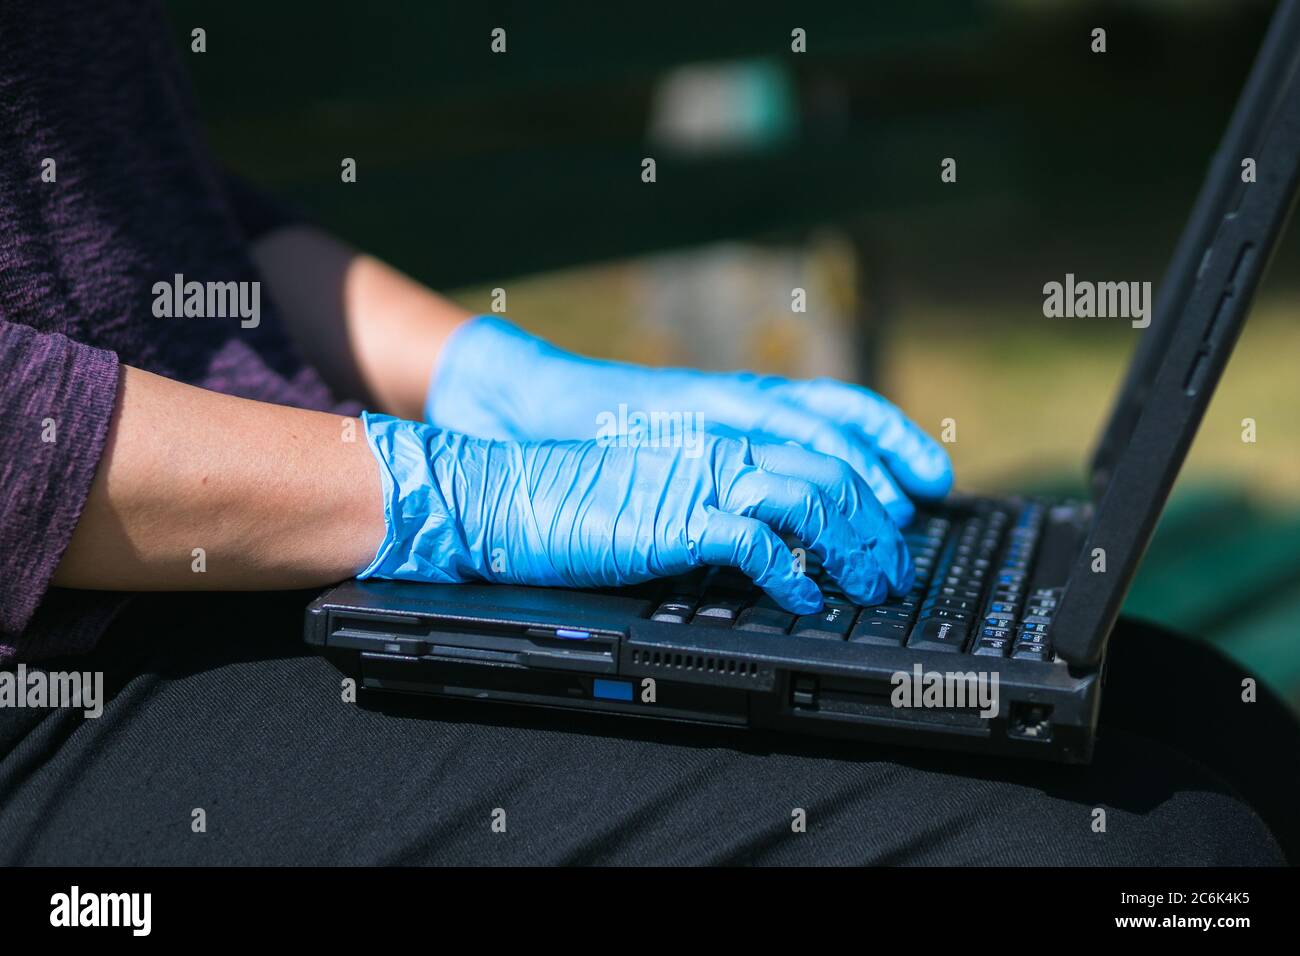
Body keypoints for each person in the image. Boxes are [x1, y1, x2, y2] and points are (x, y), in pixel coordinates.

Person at [0, 1, 1291, 865]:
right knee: (1148, 849)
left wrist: (503, 379)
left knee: (1201, 723)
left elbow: (152, 207)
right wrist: (459, 493)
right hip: (62, 670)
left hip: (277, 527)